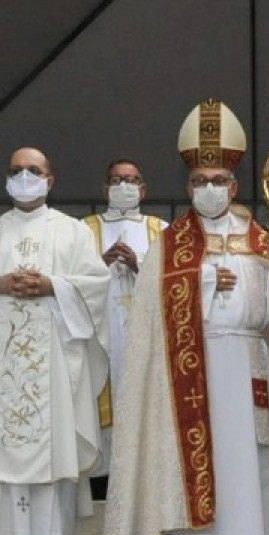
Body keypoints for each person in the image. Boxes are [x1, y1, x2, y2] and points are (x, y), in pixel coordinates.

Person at [103, 98, 269, 535]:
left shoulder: (259, 234)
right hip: (194, 365)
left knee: (252, 453)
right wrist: (205, 281)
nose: (210, 189)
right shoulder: (169, 243)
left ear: (234, 184)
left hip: (249, 355)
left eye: (219, 181)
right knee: (199, 450)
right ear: (188, 186)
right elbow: (152, 310)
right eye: (200, 182)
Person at [0, 146, 111, 535]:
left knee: (52, 452)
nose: (25, 177)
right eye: (16, 170)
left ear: (50, 180)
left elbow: (97, 283)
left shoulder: (73, 233)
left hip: (54, 364)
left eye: (33, 170)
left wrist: (52, 284)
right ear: (5, 178)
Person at [84, 158, 165, 461]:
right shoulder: (83, 230)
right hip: (102, 332)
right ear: (105, 188)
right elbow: (71, 280)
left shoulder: (162, 230)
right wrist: (99, 264)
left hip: (145, 334)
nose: (123, 186)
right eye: (116, 180)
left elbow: (175, 284)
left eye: (131, 181)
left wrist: (138, 264)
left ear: (143, 190)